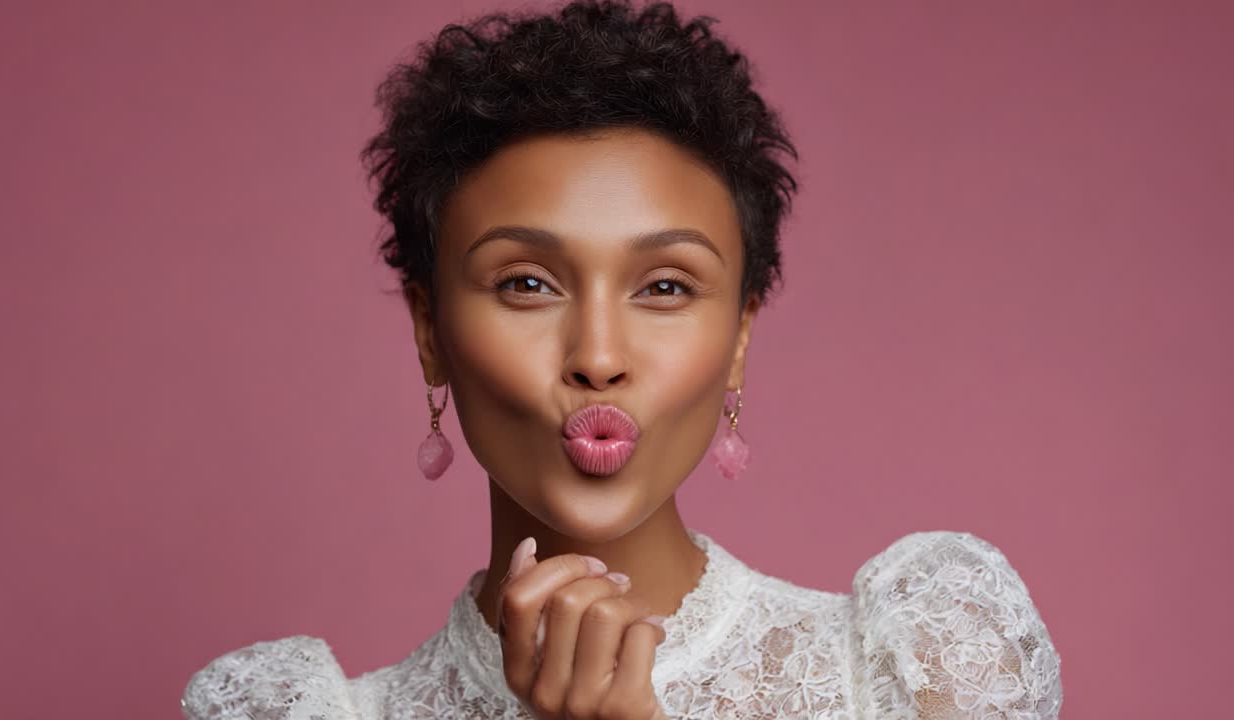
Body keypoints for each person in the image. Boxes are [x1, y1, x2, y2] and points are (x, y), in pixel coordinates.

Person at [180, 1, 1063, 717]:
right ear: (429, 332)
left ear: (741, 337)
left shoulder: (925, 677)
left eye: (666, 288)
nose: (598, 358)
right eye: (527, 284)